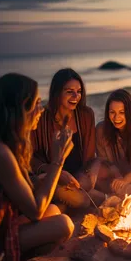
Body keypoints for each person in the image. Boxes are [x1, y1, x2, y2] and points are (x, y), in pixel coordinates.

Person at [0, 73, 74, 261]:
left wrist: (38, 177)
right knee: (64, 224)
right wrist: (57, 161)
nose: (41, 110)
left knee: (55, 210)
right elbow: (35, 210)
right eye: (37, 104)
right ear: (21, 108)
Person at [31, 68, 105, 210]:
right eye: (69, 91)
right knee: (80, 201)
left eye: (79, 91)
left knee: (88, 185)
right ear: (57, 93)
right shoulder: (42, 119)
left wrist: (86, 175)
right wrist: (55, 172)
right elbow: (30, 158)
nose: (76, 96)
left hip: (78, 178)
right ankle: (102, 199)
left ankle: (62, 204)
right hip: (51, 178)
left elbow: (89, 157)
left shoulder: (86, 114)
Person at [95, 89, 131, 197]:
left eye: (122, 112)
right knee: (98, 173)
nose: (116, 118)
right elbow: (104, 161)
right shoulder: (101, 129)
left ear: (130, 112)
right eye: (112, 112)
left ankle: (130, 193)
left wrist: (126, 180)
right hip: (114, 176)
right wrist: (118, 176)